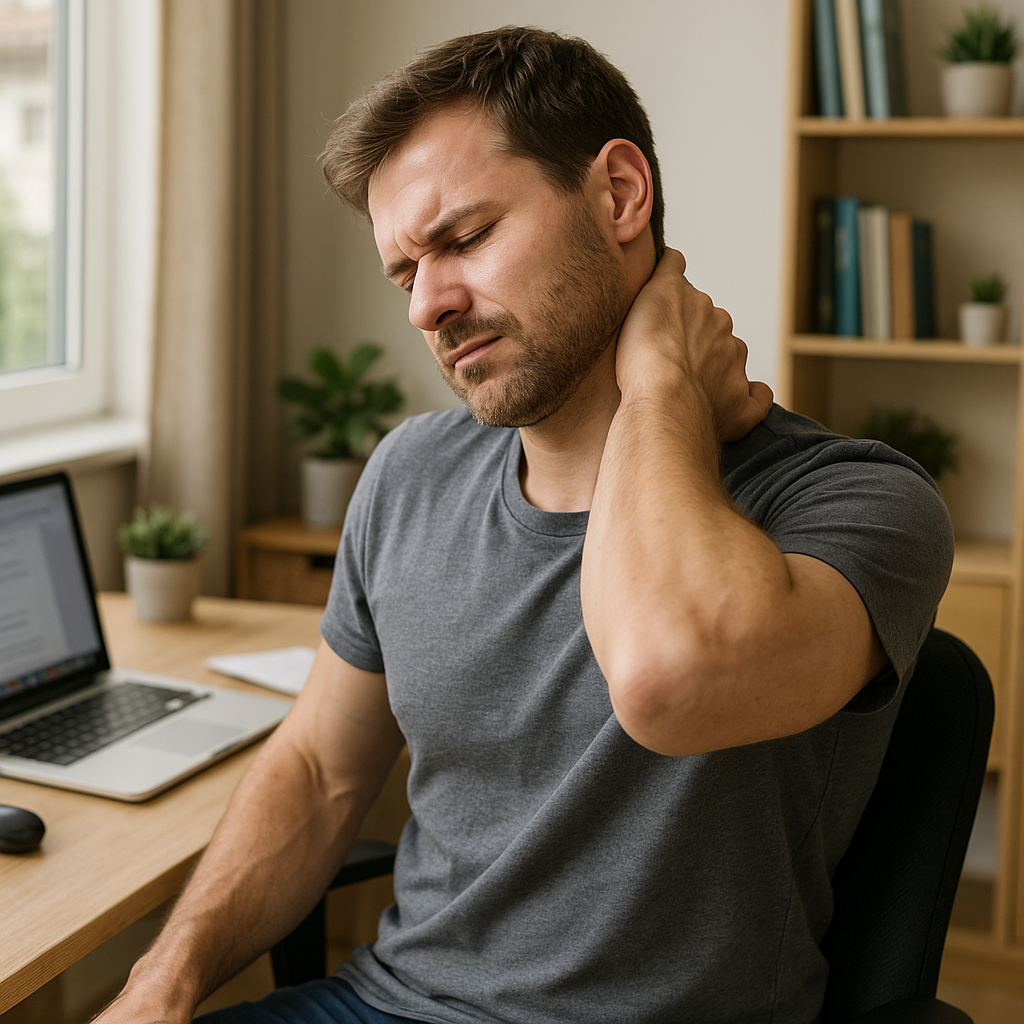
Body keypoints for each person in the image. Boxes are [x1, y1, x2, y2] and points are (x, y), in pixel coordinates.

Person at [94, 26, 953, 1024]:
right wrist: (163, 981)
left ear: (620, 194)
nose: (429, 305)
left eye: (464, 239)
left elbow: (668, 677)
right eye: (404, 271)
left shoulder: (853, 501)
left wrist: (658, 376)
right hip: (387, 1005)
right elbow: (320, 770)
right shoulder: (408, 473)